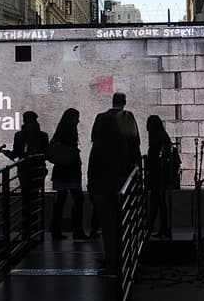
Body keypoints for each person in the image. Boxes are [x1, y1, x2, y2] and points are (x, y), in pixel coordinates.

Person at [88, 111, 127, 275]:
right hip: (117, 189)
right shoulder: (121, 143)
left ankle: (111, 262)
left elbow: (93, 169)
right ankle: (119, 259)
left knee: (108, 229)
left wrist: (91, 186)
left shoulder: (99, 144)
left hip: (102, 190)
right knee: (118, 228)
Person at [47, 108, 86, 241]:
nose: (78, 120)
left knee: (60, 203)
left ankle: (56, 231)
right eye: (76, 117)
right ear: (72, 118)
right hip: (71, 172)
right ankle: (78, 231)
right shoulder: (71, 132)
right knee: (78, 200)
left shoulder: (59, 133)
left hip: (60, 172)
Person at [9, 111, 50, 234]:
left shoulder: (42, 136)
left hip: (37, 170)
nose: (28, 125)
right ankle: (27, 225)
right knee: (26, 198)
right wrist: (8, 153)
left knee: (34, 197)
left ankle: (34, 224)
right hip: (24, 170)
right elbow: (16, 152)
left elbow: (46, 153)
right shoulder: (19, 136)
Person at [92, 92, 140, 178]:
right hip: (125, 160)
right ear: (124, 102)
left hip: (103, 159)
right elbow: (135, 140)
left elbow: (94, 137)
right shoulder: (127, 117)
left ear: (113, 101)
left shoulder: (100, 117)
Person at [145, 115, 175, 238]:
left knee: (157, 201)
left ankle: (151, 226)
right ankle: (160, 228)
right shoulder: (163, 137)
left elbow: (155, 157)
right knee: (159, 202)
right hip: (160, 174)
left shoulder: (156, 139)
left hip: (157, 174)